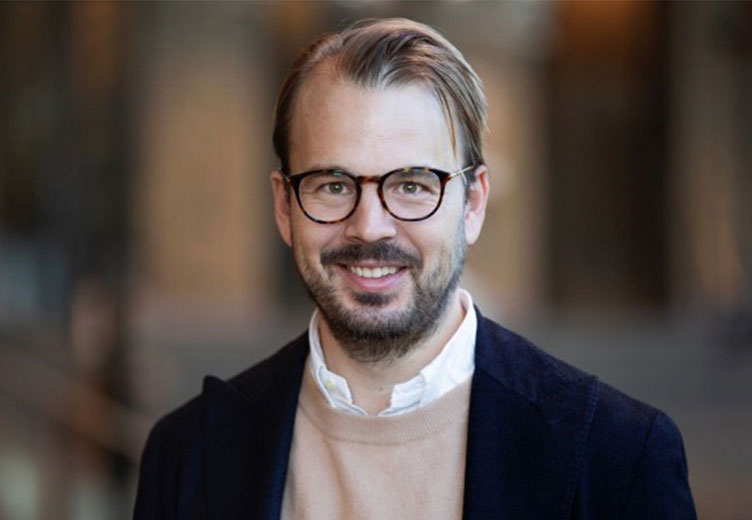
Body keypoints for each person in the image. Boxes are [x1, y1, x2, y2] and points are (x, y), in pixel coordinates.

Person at [134, 18, 696, 519]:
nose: (370, 227)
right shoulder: (187, 455)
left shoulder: (619, 456)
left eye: (411, 185)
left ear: (473, 204)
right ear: (284, 206)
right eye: (333, 185)